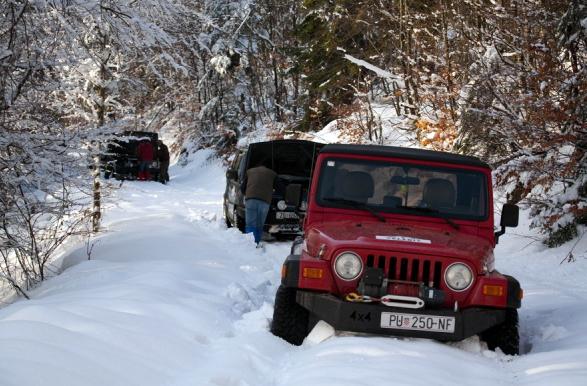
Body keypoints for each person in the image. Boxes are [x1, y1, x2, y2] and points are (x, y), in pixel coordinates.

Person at [241, 159, 277, 246]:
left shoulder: (250, 172)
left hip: (251, 199)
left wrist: (247, 194)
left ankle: (250, 243)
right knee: (259, 223)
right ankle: (256, 242)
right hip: (265, 201)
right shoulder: (272, 174)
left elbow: (242, 188)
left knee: (250, 223)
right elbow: (281, 188)